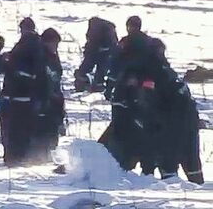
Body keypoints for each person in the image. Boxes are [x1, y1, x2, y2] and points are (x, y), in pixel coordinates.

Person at [0, 18, 48, 166]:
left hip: (16, 99)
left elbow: (1, 66)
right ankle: (19, 159)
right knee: (18, 134)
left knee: (12, 134)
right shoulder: (35, 47)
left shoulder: (27, 47)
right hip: (22, 99)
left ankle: (15, 160)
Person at [101, 16, 159, 171]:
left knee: (120, 129)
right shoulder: (149, 44)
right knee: (139, 128)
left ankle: (121, 162)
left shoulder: (125, 44)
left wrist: (109, 88)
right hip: (143, 94)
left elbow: (115, 67)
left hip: (124, 92)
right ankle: (143, 165)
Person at [147, 40, 204, 184]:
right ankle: (197, 186)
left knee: (168, 159)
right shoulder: (168, 71)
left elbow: (150, 98)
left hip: (172, 121)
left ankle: (172, 188)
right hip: (188, 118)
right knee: (191, 159)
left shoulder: (152, 72)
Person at [34, 28, 67, 158]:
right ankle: (42, 155)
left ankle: (50, 154)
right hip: (44, 100)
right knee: (45, 130)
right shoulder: (41, 57)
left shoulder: (52, 57)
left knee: (52, 129)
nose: (55, 47)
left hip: (53, 99)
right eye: (54, 44)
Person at [74, 16, 118, 93]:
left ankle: (90, 83)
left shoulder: (101, 30)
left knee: (93, 68)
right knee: (98, 69)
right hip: (101, 51)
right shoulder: (106, 29)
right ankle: (94, 84)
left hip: (101, 51)